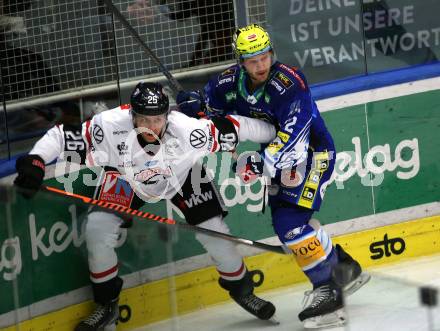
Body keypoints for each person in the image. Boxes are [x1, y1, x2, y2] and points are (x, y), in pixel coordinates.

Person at [14, 82, 278, 331]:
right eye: (143, 120)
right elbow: (61, 137)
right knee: (97, 229)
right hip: (127, 179)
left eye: (157, 120)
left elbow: (238, 126)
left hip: (182, 177)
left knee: (215, 232)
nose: (151, 127)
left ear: (167, 116)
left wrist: (280, 133)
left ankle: (242, 291)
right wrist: (36, 159)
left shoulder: (189, 131)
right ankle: (107, 305)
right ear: (133, 117)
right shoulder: (109, 126)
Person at [177, 24, 370, 329]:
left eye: (265, 56)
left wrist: (259, 164)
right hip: (280, 162)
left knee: (289, 225)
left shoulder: (289, 83)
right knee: (289, 222)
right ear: (241, 61)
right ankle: (345, 268)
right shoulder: (227, 83)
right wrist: (193, 109)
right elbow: (213, 116)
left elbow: (294, 137)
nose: (261, 65)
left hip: (312, 155)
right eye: (253, 60)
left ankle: (328, 290)